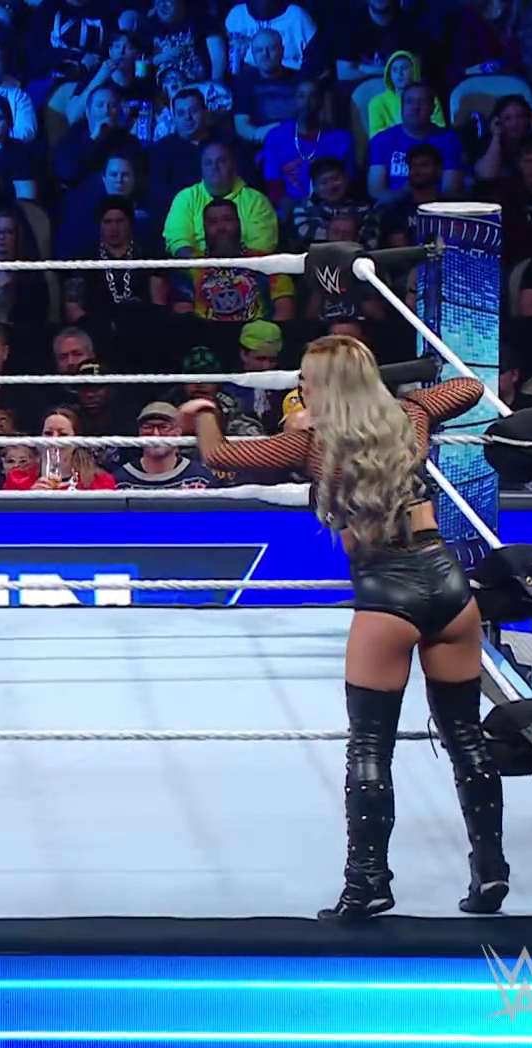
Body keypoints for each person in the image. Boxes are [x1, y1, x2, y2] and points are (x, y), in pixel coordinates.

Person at [181, 335, 505, 921]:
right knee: (466, 734)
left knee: (371, 745)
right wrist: (399, 394)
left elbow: (221, 456)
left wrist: (203, 410)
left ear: (321, 387)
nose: (300, 387)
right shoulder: (410, 417)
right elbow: (470, 387)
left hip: (387, 591)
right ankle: (491, 873)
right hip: (447, 582)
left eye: (306, 379)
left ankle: (367, 884)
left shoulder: (314, 441)